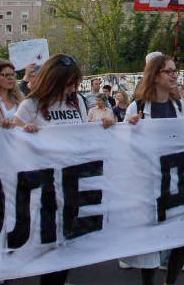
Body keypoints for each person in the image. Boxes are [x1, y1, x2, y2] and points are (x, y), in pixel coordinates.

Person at [12, 53, 110, 285]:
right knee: (52, 254)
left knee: (67, 253)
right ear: (54, 79)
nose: (73, 87)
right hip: (45, 191)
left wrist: (105, 127)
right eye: (69, 82)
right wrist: (24, 132)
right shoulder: (31, 105)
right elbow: (11, 141)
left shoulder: (76, 103)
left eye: (75, 82)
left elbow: (84, 136)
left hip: (73, 187)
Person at [123, 54, 184, 285]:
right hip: (149, 184)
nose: (174, 75)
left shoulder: (179, 105)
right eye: (168, 71)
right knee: (151, 243)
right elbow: (123, 146)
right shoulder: (138, 106)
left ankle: (169, 282)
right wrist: (128, 128)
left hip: (175, 182)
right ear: (155, 75)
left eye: (175, 70)